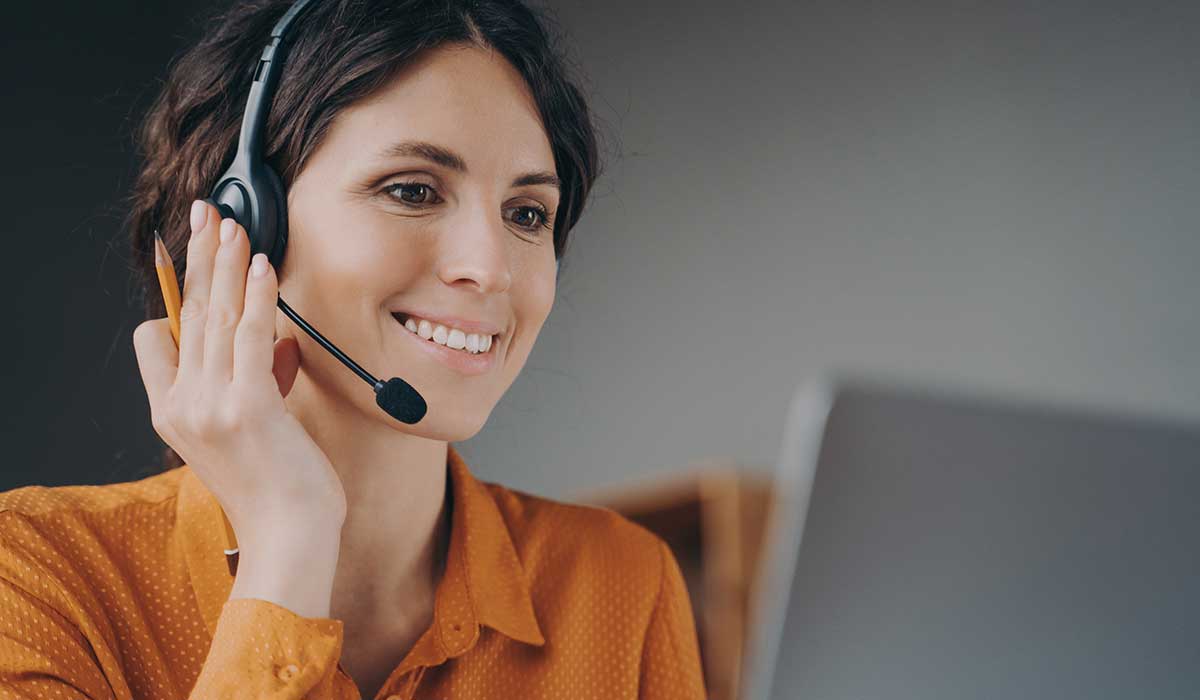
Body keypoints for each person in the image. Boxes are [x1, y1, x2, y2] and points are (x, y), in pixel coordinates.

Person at [0, 1, 707, 698]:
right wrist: (287, 547)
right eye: (412, 191)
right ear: (244, 223)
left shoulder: (619, 584)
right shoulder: (38, 577)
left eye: (526, 214)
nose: (490, 267)